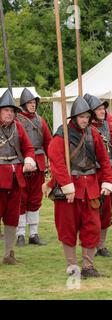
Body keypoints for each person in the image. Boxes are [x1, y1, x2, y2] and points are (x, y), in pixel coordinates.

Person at [47, 96, 112, 278]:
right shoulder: (62, 134)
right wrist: (66, 184)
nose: (85, 119)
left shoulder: (94, 134)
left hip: (90, 187)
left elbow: (104, 160)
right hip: (70, 188)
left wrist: (108, 181)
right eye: (81, 116)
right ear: (74, 117)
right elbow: (56, 161)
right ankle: (72, 267)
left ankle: (88, 266)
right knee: (67, 228)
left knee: (92, 227)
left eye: (87, 116)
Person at [0, 89, 36, 265]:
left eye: (11, 111)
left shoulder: (18, 127)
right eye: (5, 110)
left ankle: (8, 254)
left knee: (12, 217)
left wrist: (29, 159)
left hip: (15, 179)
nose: (9, 113)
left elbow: (28, 148)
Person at [16, 88, 52, 247]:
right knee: (21, 199)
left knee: (35, 199)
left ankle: (33, 233)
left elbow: (48, 142)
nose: (33, 105)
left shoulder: (40, 120)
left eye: (34, 103)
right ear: (23, 104)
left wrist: (53, 159)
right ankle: (20, 234)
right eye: (29, 103)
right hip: (22, 163)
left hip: (38, 163)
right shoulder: (16, 121)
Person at [84, 93, 112, 257]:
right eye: (98, 109)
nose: (102, 111)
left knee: (106, 211)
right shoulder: (85, 128)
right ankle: (91, 243)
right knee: (92, 210)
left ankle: (101, 245)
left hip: (107, 171)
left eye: (103, 108)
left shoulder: (107, 125)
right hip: (90, 173)